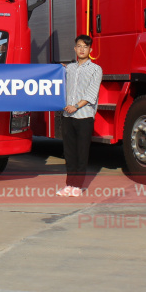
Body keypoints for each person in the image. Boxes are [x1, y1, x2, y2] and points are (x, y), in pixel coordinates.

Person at [59, 35, 102, 197]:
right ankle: (69, 184)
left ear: (90, 50)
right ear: (75, 49)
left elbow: (92, 93)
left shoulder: (96, 69)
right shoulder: (69, 68)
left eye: (85, 46)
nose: (82, 49)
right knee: (69, 153)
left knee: (81, 152)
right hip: (67, 116)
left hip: (84, 116)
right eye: (79, 46)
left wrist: (76, 106)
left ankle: (78, 186)